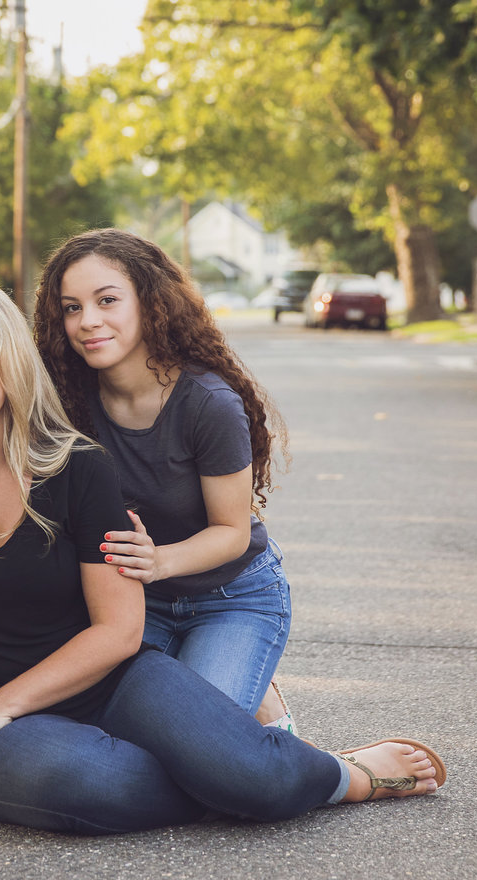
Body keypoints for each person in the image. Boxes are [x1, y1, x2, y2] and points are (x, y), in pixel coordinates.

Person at [0, 276, 447, 834]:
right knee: (87, 781)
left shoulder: (77, 469)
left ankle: (337, 774)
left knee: (239, 770)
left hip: (115, 682)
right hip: (7, 736)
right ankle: (255, 769)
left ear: (8, 363)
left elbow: (118, 631)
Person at [34, 228, 295, 730]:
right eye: (71, 308)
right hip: (135, 603)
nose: (88, 321)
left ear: (149, 302)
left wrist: (160, 561)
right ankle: (237, 693)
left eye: (107, 300)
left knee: (195, 742)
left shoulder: (209, 404)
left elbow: (232, 532)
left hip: (231, 597)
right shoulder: (63, 399)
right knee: (124, 739)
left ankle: (278, 732)